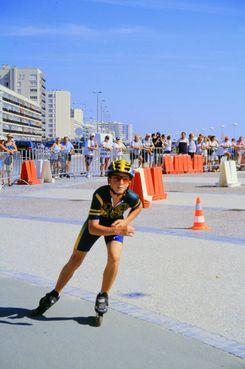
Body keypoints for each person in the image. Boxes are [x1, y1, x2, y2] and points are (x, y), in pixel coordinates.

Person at [31, 159, 142, 317]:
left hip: (115, 225)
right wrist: (118, 229)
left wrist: (125, 221)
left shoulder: (130, 196)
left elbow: (139, 206)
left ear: (130, 181)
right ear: (109, 179)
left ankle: (103, 295)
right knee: (75, 260)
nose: (121, 182)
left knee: (115, 258)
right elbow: (93, 228)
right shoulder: (100, 194)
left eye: (125, 179)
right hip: (96, 225)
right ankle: (54, 293)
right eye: (116, 178)